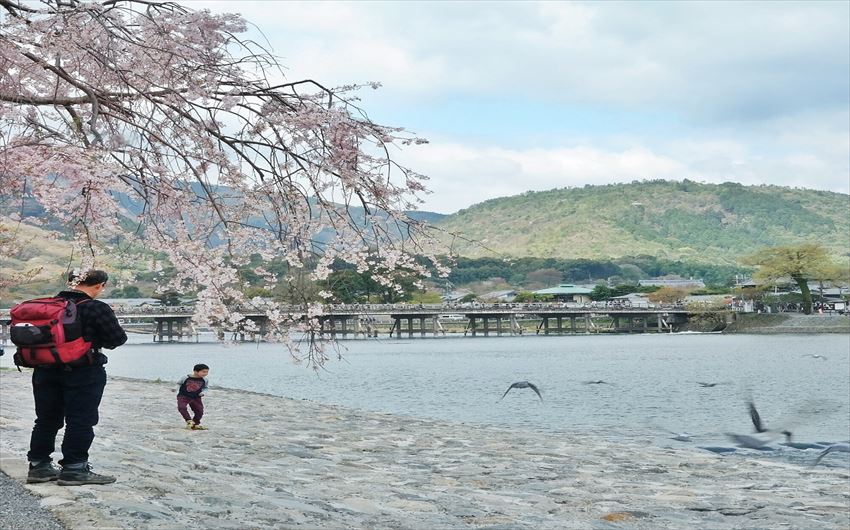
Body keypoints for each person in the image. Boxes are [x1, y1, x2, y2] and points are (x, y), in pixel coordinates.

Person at [27, 270, 128, 486]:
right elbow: (117, 338)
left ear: (70, 283)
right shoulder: (95, 307)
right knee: (80, 419)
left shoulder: (49, 306)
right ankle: (75, 468)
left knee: (46, 419)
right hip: (83, 371)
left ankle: (38, 466)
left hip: (44, 370)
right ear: (100, 285)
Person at [177, 364, 210, 430]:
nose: (205, 373)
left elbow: (206, 388)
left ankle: (195, 424)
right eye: (203, 372)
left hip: (196, 397)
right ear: (195, 371)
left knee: (199, 411)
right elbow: (178, 383)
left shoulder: (205, 380)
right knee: (181, 407)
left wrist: (203, 393)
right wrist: (175, 389)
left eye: (207, 372)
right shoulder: (186, 377)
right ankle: (189, 421)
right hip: (183, 396)